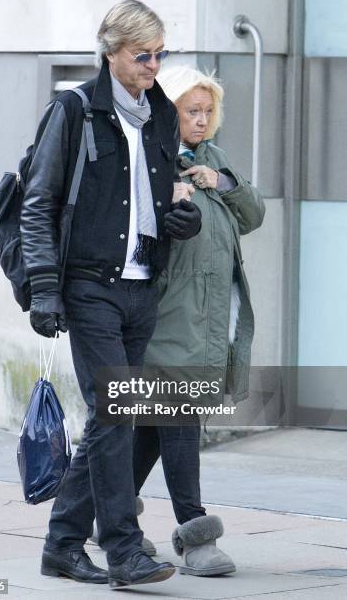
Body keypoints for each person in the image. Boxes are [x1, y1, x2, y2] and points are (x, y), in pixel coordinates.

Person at [20, 1, 201, 589]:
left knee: (109, 418)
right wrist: (45, 288)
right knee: (113, 414)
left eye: (159, 54)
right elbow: (39, 201)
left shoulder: (164, 115)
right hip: (88, 286)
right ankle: (124, 550)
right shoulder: (74, 110)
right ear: (111, 53)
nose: (153, 65)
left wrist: (184, 221)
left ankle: (62, 545)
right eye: (141, 55)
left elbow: (168, 192)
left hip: (143, 287)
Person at [132, 65, 266, 576]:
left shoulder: (213, 159)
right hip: (167, 318)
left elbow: (252, 216)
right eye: (192, 110)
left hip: (207, 319)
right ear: (169, 111)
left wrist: (223, 181)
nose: (202, 120)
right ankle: (195, 536)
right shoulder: (150, 161)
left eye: (208, 112)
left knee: (150, 425)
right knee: (180, 422)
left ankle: (111, 513)